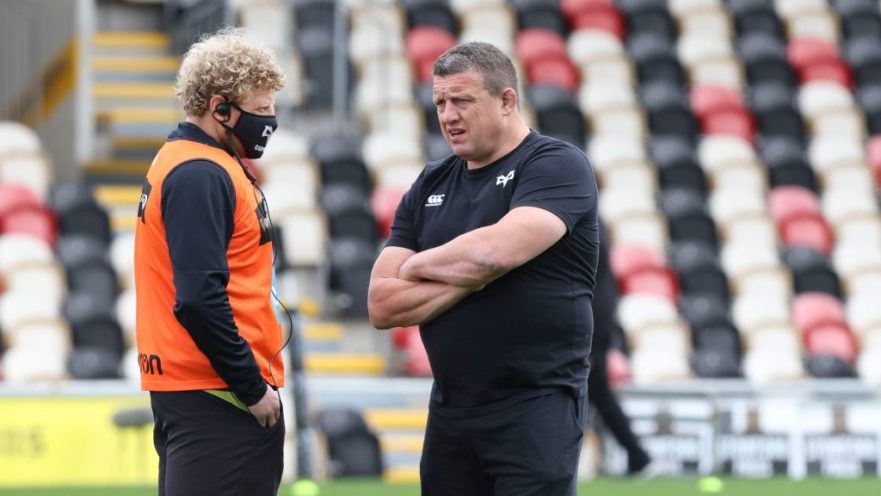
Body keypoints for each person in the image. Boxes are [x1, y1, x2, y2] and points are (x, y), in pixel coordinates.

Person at [368, 41, 600, 496]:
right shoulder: (431, 181)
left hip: (536, 406)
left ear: (507, 100)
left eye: (462, 100)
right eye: (440, 103)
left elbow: (490, 256)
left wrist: (418, 266)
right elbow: (381, 304)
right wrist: (473, 276)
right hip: (450, 412)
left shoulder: (555, 164)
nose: (448, 116)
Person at [134, 28, 286, 496]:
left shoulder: (189, 161)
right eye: (261, 109)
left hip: (200, 392)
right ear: (220, 109)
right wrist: (251, 388)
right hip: (219, 396)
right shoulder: (200, 173)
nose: (270, 121)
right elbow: (199, 298)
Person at [589, 224, 654, 476]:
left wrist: (591, 343)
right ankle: (638, 457)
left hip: (590, 335)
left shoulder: (589, 235)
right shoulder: (594, 230)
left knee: (597, 397)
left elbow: (598, 296)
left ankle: (638, 456)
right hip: (594, 332)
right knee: (601, 397)